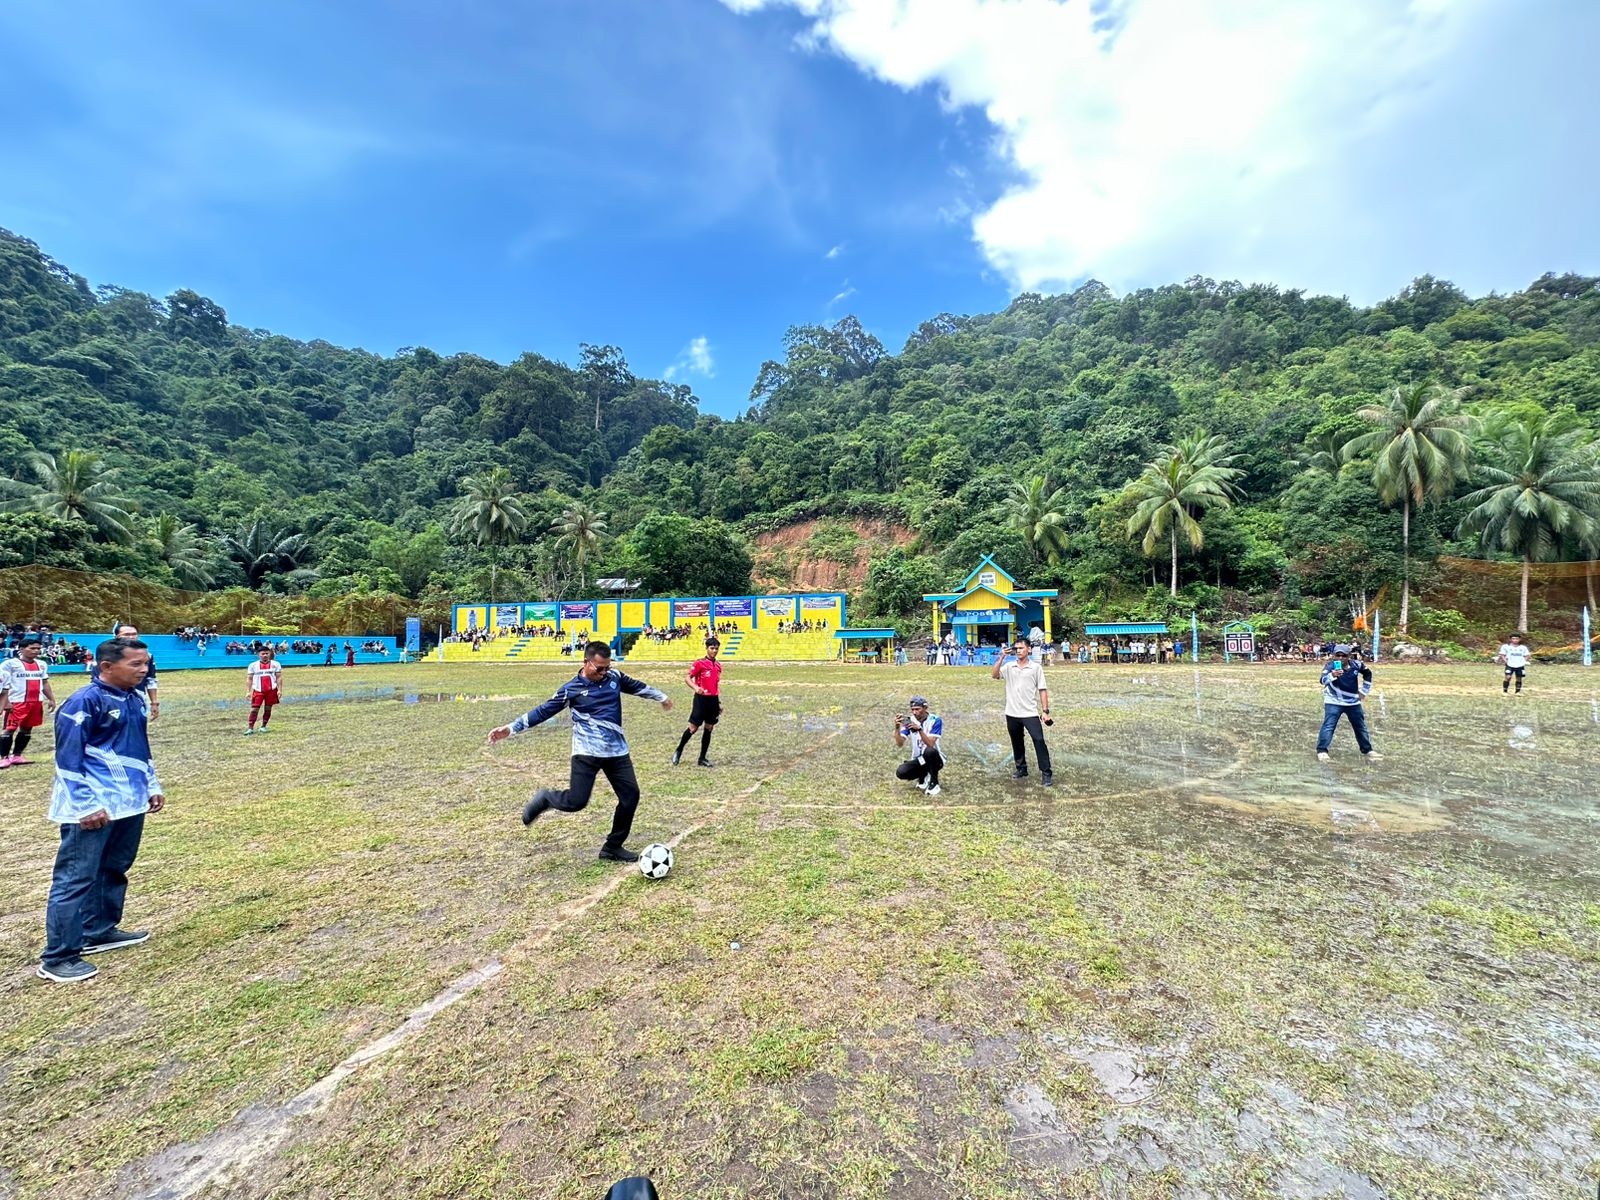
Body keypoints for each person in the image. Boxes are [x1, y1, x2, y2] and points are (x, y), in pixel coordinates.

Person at [38, 638, 164, 983]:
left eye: (145, 663)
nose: (144, 670)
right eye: (135, 664)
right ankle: (58, 956)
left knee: (114, 867)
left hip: (129, 802)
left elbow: (140, 747)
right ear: (106, 666)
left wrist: (152, 784)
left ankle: (99, 930)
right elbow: (67, 758)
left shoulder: (134, 699)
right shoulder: (83, 702)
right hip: (92, 807)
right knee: (76, 878)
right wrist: (85, 804)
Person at [487, 641, 672, 864]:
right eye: (599, 668)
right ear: (586, 662)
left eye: (607, 667)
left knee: (631, 797)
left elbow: (637, 687)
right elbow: (543, 711)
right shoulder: (571, 689)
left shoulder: (614, 677)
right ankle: (546, 798)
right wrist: (510, 728)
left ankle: (612, 847)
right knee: (577, 801)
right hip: (586, 752)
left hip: (616, 752)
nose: (604, 673)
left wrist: (660, 696)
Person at [993, 638, 1053, 786]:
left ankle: (1046, 773)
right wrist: (1001, 657)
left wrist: (1045, 711)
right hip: (1012, 712)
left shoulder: (1035, 668)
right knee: (1017, 742)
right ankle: (1021, 768)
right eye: (1016, 648)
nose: (1018, 650)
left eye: (1021, 648)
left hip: (1030, 712)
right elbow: (994, 675)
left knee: (1039, 740)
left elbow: (1042, 690)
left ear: (1029, 650)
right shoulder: (1009, 666)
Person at [1316, 646, 1382, 762]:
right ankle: (1322, 751)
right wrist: (1333, 675)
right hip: (1334, 701)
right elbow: (1322, 680)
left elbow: (1368, 674)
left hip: (1353, 702)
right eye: (1338, 655)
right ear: (1334, 656)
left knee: (1360, 727)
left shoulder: (1357, 665)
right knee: (1329, 726)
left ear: (1349, 656)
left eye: (1344, 656)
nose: (1340, 658)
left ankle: (1367, 750)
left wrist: (1364, 691)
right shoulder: (1331, 666)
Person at [0, 637, 57, 767]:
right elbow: (3, 684)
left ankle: (17, 755)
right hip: (16, 702)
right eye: (32, 648)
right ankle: (4, 757)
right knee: (9, 729)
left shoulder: (41, 664)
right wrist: (6, 701)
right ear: (21, 649)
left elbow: (45, 682)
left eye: (38, 648)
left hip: (35, 702)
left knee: (27, 729)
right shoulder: (9, 664)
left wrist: (51, 699)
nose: (36, 651)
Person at [91, 623, 159, 722]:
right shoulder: (106, 654)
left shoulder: (146, 655)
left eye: (134, 634)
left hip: (137, 697)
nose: (131, 637)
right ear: (116, 636)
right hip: (110, 700)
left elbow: (151, 679)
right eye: (126, 634)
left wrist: (154, 702)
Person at [672, 637, 722, 768]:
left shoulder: (718, 665)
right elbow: (688, 677)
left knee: (709, 728)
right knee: (693, 728)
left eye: (716, 649)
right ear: (707, 648)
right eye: (712, 648)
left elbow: (716, 685)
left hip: (713, 700)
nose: (714, 651)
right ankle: (679, 750)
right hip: (701, 699)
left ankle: (702, 758)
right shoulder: (700, 663)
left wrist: (719, 703)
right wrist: (696, 687)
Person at [893, 695, 944, 796]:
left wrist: (919, 729)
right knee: (901, 772)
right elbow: (899, 743)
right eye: (912, 709)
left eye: (917, 709)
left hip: (935, 759)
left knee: (929, 751)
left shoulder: (936, 720)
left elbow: (930, 744)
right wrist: (897, 727)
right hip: (920, 759)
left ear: (925, 708)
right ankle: (923, 775)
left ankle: (934, 783)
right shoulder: (909, 720)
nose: (914, 712)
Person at [245, 647, 283, 735]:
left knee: (268, 708)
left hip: (271, 690)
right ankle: (250, 728)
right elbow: (249, 679)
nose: (265, 655)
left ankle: (263, 726)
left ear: (270, 654)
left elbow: (279, 677)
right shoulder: (253, 665)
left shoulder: (276, 664)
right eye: (263, 653)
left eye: (267, 653)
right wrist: (248, 691)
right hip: (258, 690)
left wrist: (280, 690)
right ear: (258, 655)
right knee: (254, 709)